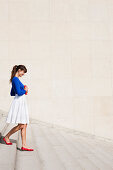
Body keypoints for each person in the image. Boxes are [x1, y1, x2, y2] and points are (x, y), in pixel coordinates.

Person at [3, 65, 34, 151]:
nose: (22, 75)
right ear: (19, 70)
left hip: (20, 102)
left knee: (24, 124)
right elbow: (20, 93)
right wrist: (25, 90)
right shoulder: (15, 79)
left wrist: (21, 88)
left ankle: (24, 145)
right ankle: (7, 136)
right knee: (22, 124)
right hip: (19, 102)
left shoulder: (15, 79)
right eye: (22, 73)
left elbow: (12, 93)